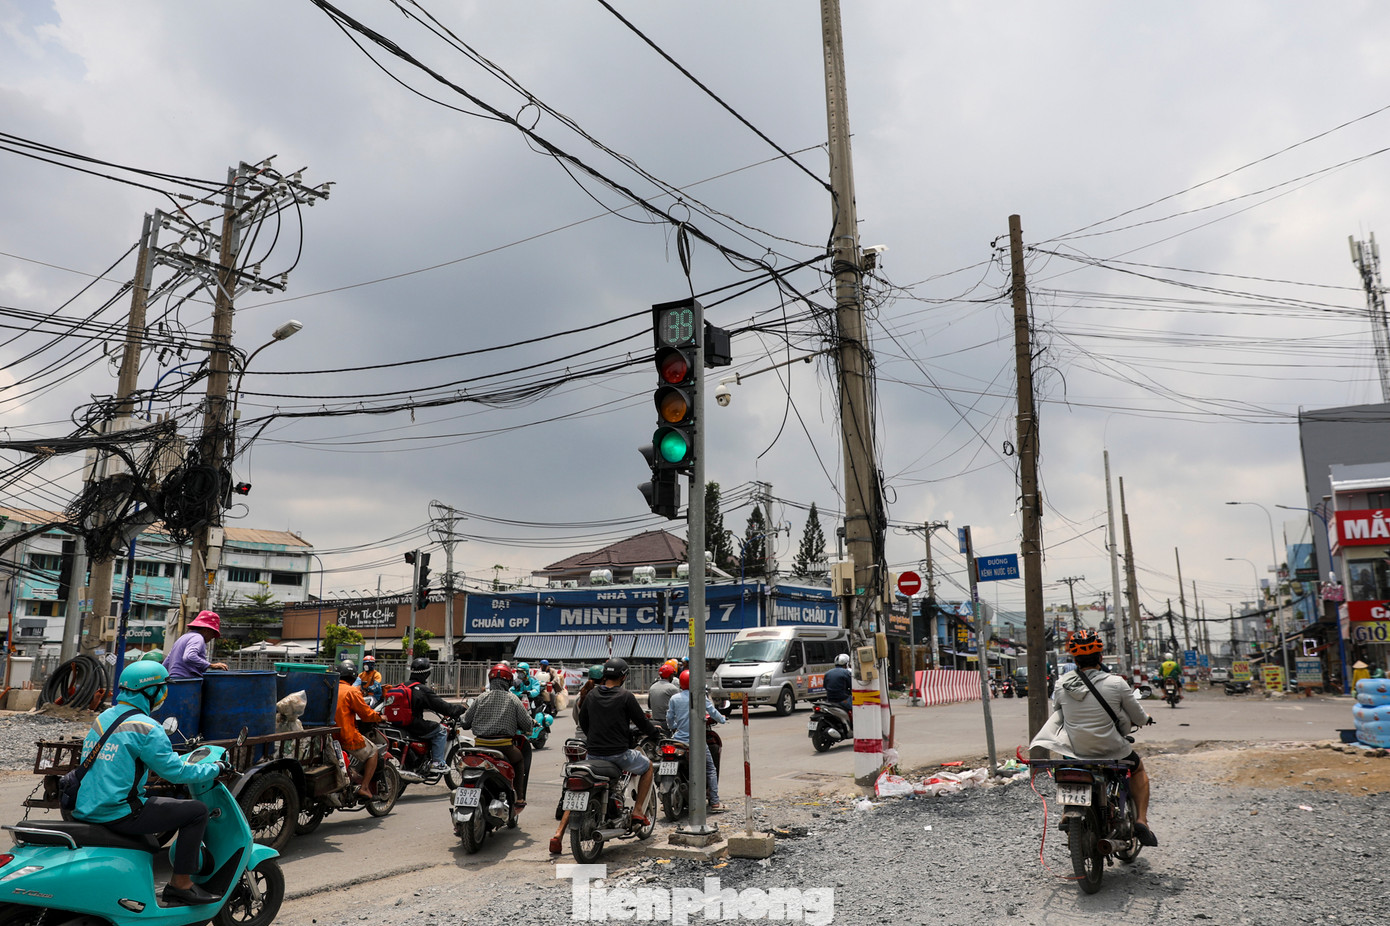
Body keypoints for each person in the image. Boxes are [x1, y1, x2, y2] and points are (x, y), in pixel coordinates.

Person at [73, 661, 223, 906]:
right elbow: (175, 772)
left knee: (161, 803)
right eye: (163, 688)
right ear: (150, 691)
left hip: (85, 805)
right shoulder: (147, 727)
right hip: (117, 812)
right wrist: (214, 769)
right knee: (196, 811)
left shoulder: (103, 718)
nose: (164, 694)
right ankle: (181, 884)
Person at [1030, 628, 1158, 847]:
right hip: (1112, 750)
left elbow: (1059, 712)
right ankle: (1142, 821)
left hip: (1075, 752)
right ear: (1100, 657)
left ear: (1075, 659)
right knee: (1137, 768)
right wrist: (1146, 719)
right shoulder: (1117, 683)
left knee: (1069, 773)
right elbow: (1137, 715)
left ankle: (1066, 813)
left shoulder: (1062, 684)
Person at [576, 658, 660, 828]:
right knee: (648, 766)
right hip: (618, 754)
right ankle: (637, 811)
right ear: (623, 677)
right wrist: (656, 734)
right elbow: (642, 723)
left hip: (592, 754)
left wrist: (594, 739)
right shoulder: (626, 697)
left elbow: (583, 721)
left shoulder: (591, 695)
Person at [462, 664, 533, 808]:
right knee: (519, 761)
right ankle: (519, 797)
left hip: (480, 747)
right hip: (504, 748)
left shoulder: (481, 697)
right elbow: (527, 724)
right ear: (508, 681)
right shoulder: (513, 699)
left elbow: (465, 722)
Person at [667, 669, 728, 811]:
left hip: (679, 741)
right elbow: (713, 713)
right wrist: (723, 720)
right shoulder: (701, 697)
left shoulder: (674, 699)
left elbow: (669, 718)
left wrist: (674, 727)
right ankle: (714, 802)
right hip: (697, 741)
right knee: (710, 769)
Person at [401, 656, 466, 772]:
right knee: (441, 730)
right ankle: (437, 762)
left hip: (399, 725)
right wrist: (459, 709)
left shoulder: (403, 686)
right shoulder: (422, 690)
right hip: (413, 724)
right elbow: (443, 707)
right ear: (426, 674)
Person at [334, 659, 382, 799]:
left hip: (328, 735)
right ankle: (365, 787)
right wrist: (380, 717)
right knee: (373, 751)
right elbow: (366, 715)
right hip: (344, 735)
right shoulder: (352, 691)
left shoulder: (330, 688)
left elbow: (377, 686)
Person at [163, 610, 227, 679]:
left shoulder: (183, 638)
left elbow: (166, 662)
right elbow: (189, 656)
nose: (212, 637)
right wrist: (212, 665)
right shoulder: (198, 638)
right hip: (187, 682)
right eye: (213, 633)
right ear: (207, 630)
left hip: (175, 681)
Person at [648, 662, 680, 734]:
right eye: (672, 675)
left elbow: (649, 704)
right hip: (667, 722)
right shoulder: (672, 688)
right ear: (670, 675)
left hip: (654, 720)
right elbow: (680, 706)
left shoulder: (652, 687)